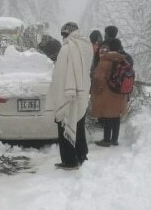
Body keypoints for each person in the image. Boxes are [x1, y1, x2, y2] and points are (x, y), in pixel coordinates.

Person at [44, 22, 94, 170]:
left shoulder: (67, 49)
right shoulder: (86, 46)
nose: (63, 38)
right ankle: (81, 155)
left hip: (68, 94)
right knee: (78, 124)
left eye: (63, 35)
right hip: (82, 93)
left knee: (65, 125)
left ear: (66, 33)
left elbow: (60, 76)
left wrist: (57, 93)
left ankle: (69, 160)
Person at [91, 38, 130, 146]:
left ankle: (107, 140)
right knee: (116, 117)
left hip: (107, 93)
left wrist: (95, 91)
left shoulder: (104, 62)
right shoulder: (122, 60)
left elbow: (99, 79)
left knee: (108, 116)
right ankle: (115, 139)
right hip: (119, 93)